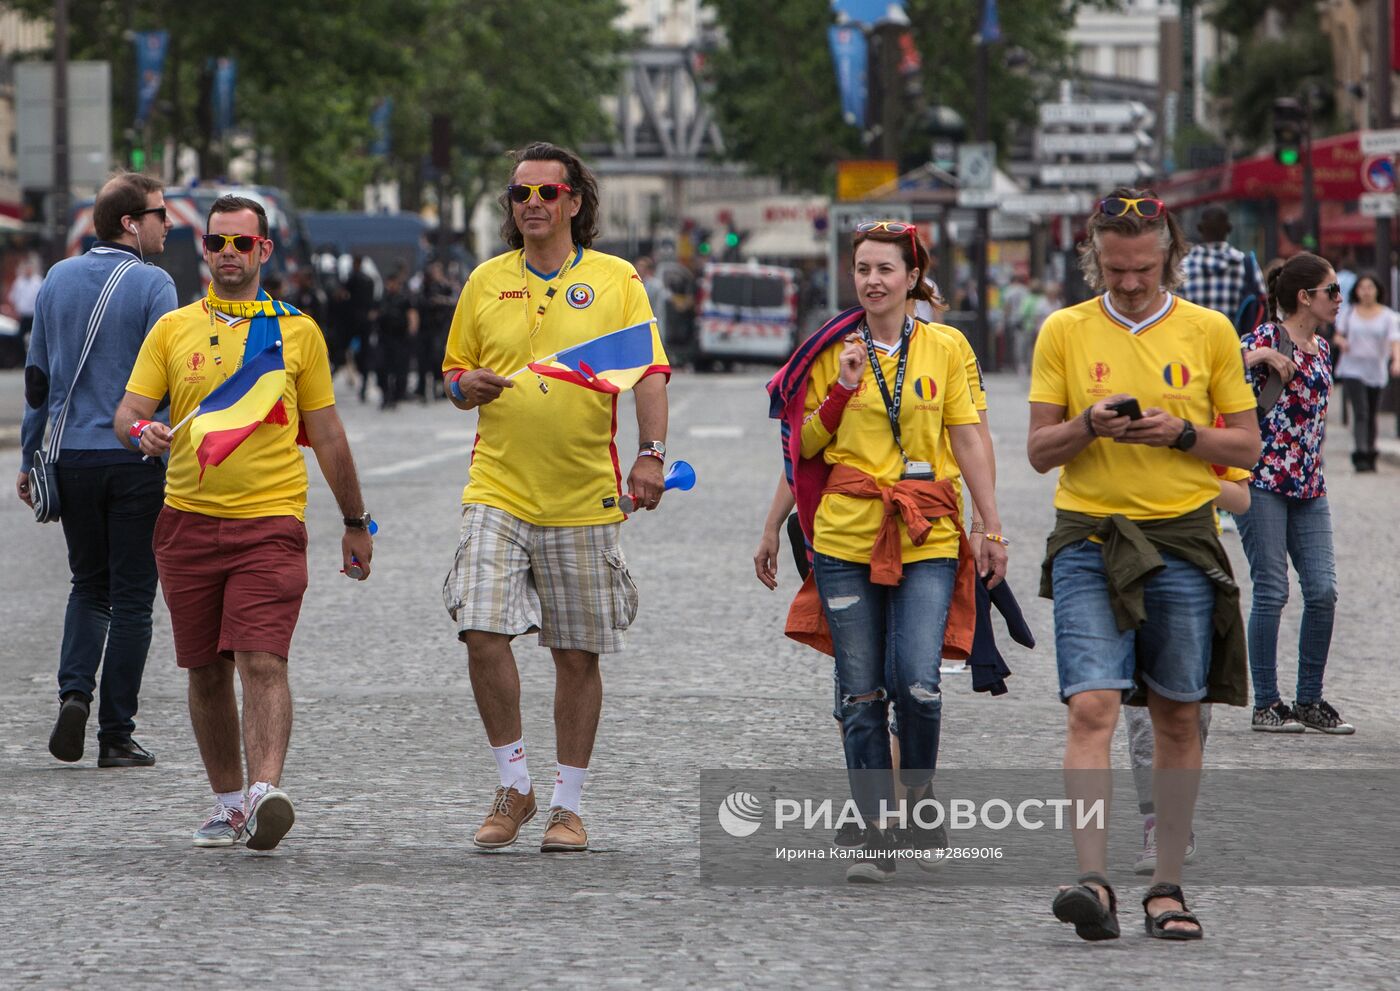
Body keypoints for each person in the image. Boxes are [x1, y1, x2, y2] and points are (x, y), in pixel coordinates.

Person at [1028, 189, 1260, 940]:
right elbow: (1039, 451)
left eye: (1143, 269)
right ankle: (1093, 882)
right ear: (1094, 258)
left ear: (1170, 257)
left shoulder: (1209, 330)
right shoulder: (1063, 330)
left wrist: (1183, 435)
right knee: (1091, 706)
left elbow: (1248, 447)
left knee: (1177, 712)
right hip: (1089, 539)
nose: (1129, 282)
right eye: (1115, 269)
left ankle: (1167, 886)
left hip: (1183, 540)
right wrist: (1086, 426)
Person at [114, 195, 374, 850]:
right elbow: (128, 413)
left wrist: (355, 520)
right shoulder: (172, 329)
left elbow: (328, 435)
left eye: (241, 243)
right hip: (187, 522)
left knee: (262, 657)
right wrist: (142, 432)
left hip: (271, 523)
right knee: (206, 671)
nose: (228, 253)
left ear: (264, 250)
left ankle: (264, 792)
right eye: (216, 242)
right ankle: (230, 804)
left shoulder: (297, 333)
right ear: (204, 249)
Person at [441, 142, 670, 854]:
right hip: (497, 487)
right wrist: (463, 386)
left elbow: (649, 370)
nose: (532, 204)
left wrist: (651, 453)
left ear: (574, 201)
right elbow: (452, 374)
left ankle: (568, 806)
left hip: (583, 493)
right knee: (481, 628)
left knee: (576, 656)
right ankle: (514, 785)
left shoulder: (615, 278)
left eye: (547, 192)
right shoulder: (484, 280)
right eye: (520, 194)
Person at [772, 220, 1007, 883]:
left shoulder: (946, 346)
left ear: (912, 278)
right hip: (844, 538)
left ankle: (919, 792)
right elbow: (803, 448)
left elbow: (968, 438)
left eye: (885, 269)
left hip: (927, 533)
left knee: (919, 684)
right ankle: (877, 830)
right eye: (863, 269)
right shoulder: (830, 350)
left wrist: (991, 526)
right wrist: (843, 387)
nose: (872, 280)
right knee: (860, 691)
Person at [15, 172, 178, 768]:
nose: (169, 223)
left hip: (72, 459)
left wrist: (30, 458)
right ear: (131, 223)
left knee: (87, 584)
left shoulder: (56, 279)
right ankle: (116, 735)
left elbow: (38, 381)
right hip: (134, 456)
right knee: (133, 598)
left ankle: (74, 694)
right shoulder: (155, 284)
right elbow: (171, 381)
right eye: (160, 214)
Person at [1237, 253, 1352, 734]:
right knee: (1271, 591)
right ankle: (1266, 703)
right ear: (1305, 297)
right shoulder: (1265, 336)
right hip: (1262, 480)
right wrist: (1260, 357)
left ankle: (1309, 700)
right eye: (1332, 290)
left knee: (1323, 591)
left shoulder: (1322, 347)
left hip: (1308, 484)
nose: (1340, 299)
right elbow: (1214, 372)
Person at [1121, 465, 1251, 874]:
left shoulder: (1202, 425)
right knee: (1139, 708)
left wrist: (1181, 473)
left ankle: (1176, 816)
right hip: (1123, 552)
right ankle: (1156, 823)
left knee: (1189, 708)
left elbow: (1239, 497)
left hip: (1190, 555)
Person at [1334, 271, 1400, 472]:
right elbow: (1338, 335)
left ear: (1377, 290)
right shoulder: (1349, 313)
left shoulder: (1388, 316)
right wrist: (1342, 342)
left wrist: (1396, 360)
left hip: (1376, 369)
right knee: (1361, 410)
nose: (1366, 292)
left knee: (1372, 412)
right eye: (1362, 288)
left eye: (1370, 287)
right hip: (1353, 368)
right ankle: (1361, 451)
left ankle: (1371, 450)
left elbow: (1394, 341)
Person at [1179, 206, 1267, 333]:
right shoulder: (1246, 265)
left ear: (1199, 229)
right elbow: (1262, 305)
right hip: (1236, 343)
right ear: (1229, 229)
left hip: (1192, 343)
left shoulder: (1184, 266)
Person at [373, 267, 416, 410]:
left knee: (399, 370)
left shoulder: (404, 299)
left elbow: (412, 315)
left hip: (399, 338)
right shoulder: (382, 299)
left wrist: (411, 332)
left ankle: (395, 395)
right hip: (384, 338)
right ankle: (386, 394)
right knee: (381, 367)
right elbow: (374, 314)